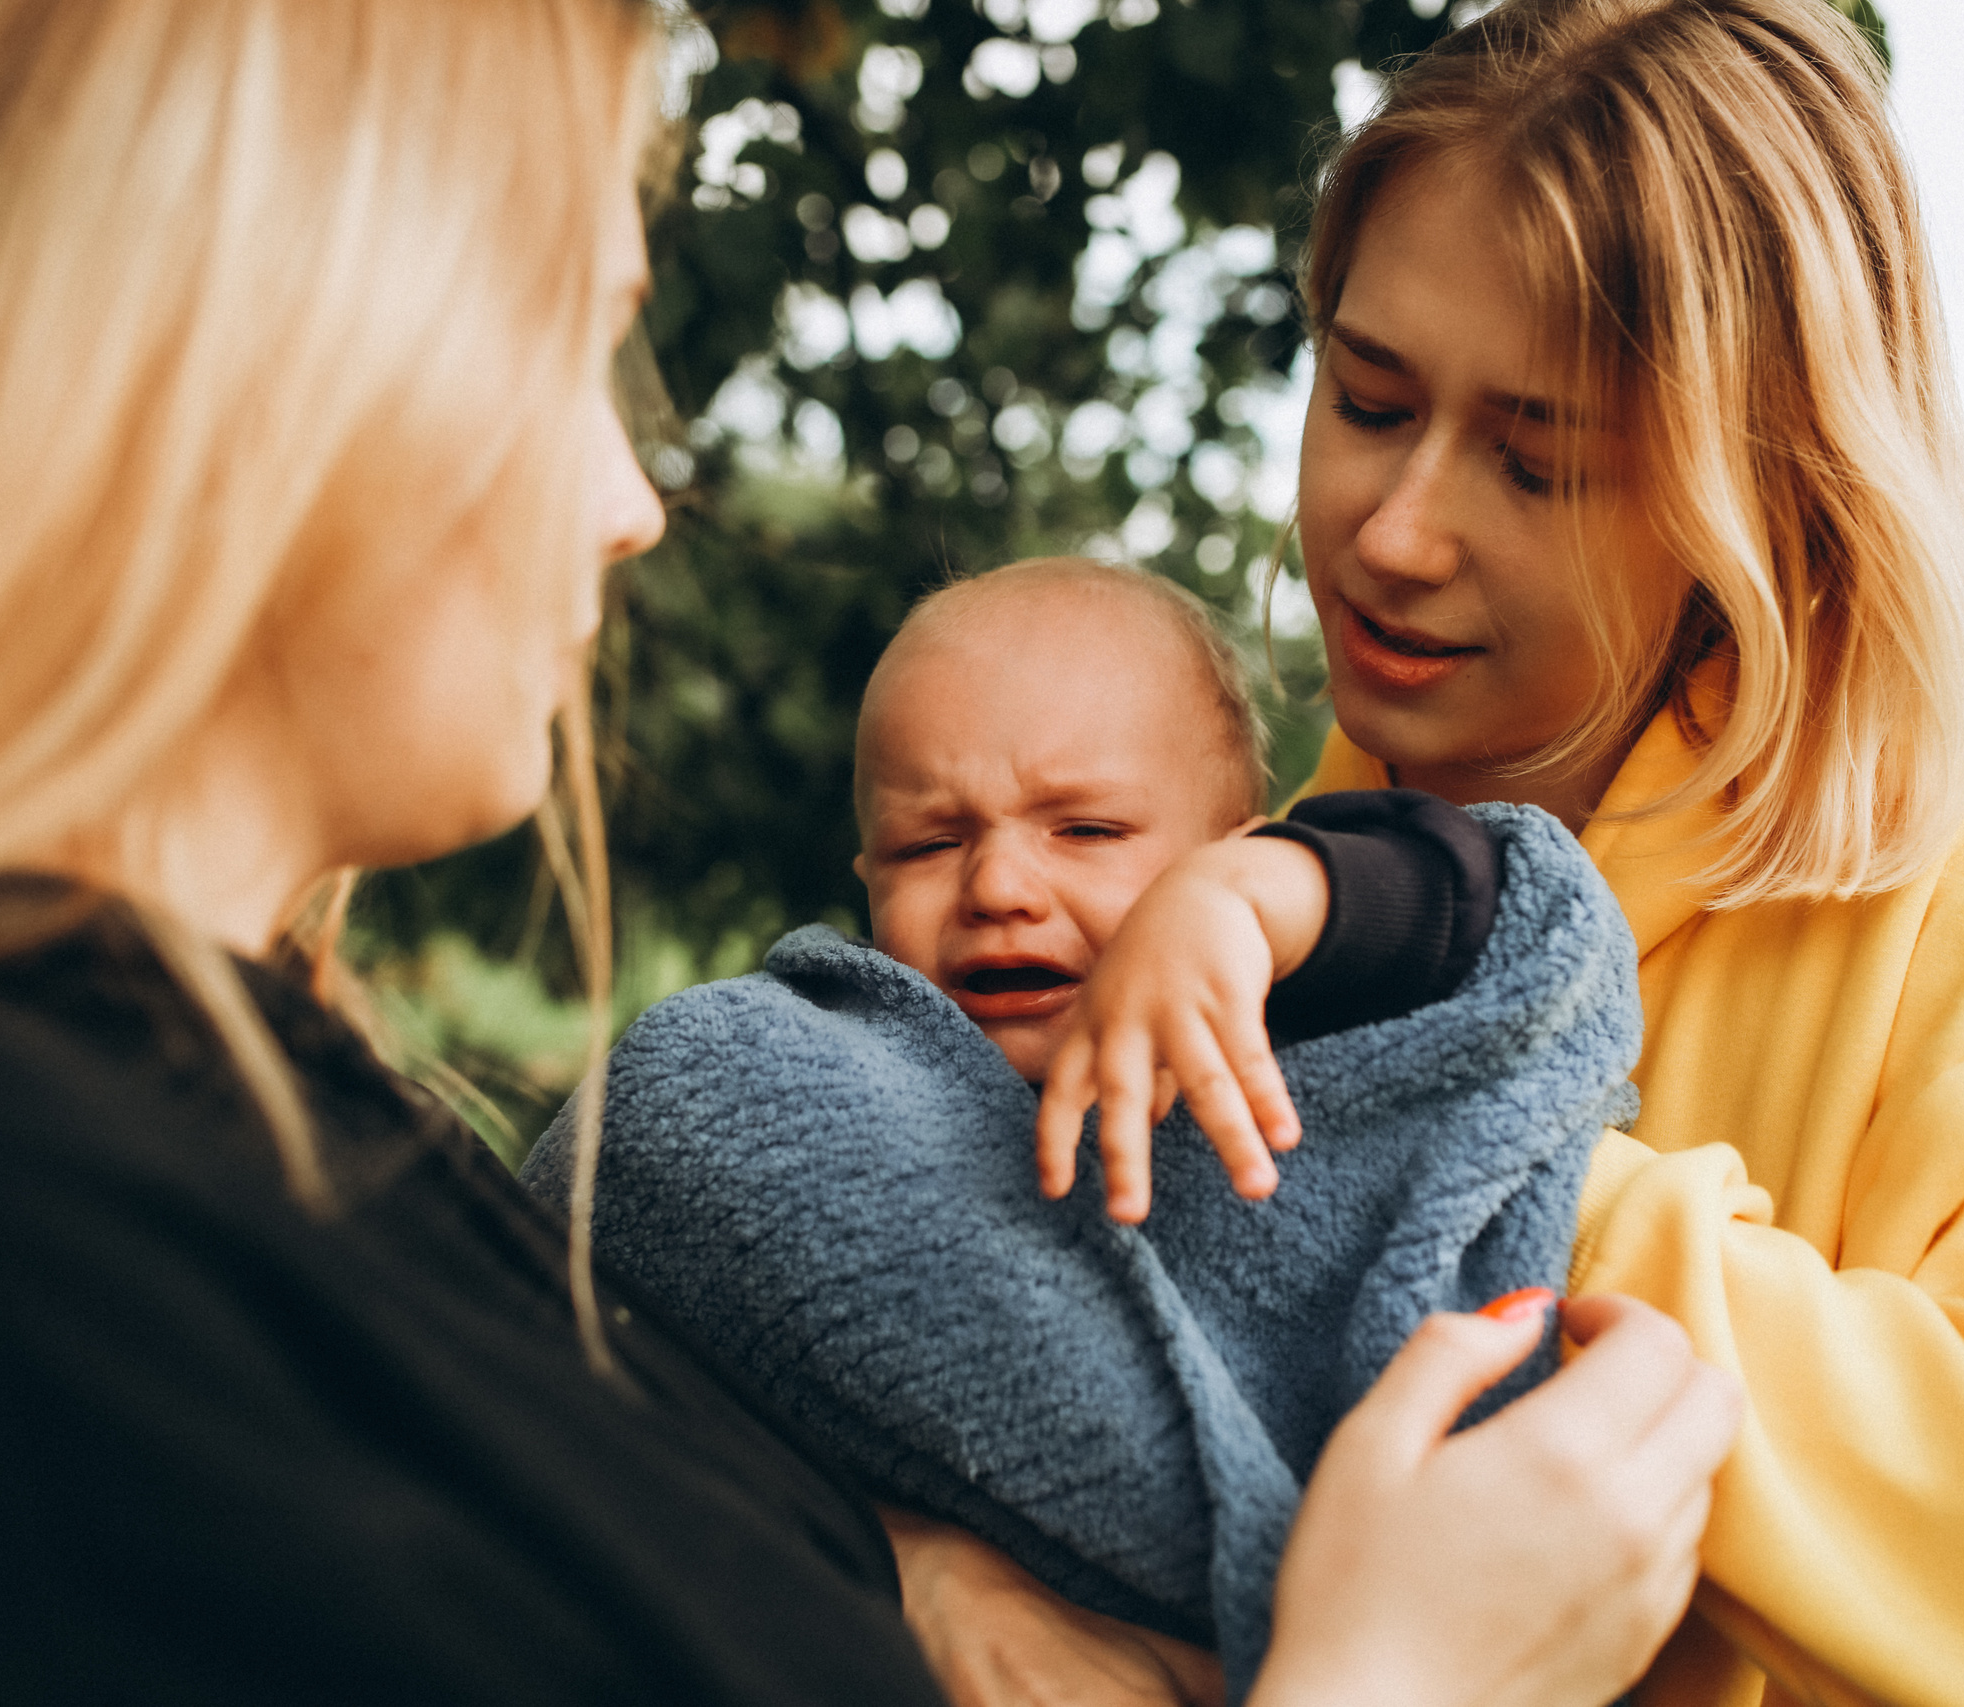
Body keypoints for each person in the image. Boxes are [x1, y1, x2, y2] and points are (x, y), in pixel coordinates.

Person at [0, 4, 1743, 1706]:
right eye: (586, 342)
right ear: (287, 365)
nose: (629, 501)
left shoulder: (252, 1121)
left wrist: (907, 1552)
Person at [919, 2, 1964, 1703]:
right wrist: (934, 1568)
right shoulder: (1256, 888)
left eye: (1540, 461)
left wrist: (1475, 1180)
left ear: (1769, 492)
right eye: (1368, 399)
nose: (1393, 529)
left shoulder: (1955, 884)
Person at [525, 554, 1640, 1691]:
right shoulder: (820, 1108)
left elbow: (1496, 907)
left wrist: (1254, 907)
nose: (999, 883)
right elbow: (611, 1385)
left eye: (1089, 831)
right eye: (927, 844)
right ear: (863, 881)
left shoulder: (1290, 1010)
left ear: (1236, 846)